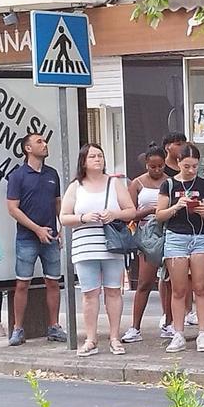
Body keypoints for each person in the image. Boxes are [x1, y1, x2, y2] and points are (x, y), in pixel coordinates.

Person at [59, 144, 136, 357]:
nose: (97, 159)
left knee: (113, 290)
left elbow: (131, 210)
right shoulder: (76, 186)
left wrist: (114, 214)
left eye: (100, 155)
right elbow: (64, 217)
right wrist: (83, 218)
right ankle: (91, 339)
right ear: (83, 161)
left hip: (112, 244)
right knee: (89, 293)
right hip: (85, 245)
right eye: (92, 156)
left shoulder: (115, 183)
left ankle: (114, 337)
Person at [5, 132, 67, 346]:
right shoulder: (17, 176)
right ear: (27, 148)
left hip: (50, 234)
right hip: (26, 237)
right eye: (39, 142)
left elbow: (58, 202)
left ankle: (54, 326)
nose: (45, 144)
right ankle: (18, 329)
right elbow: (13, 208)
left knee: (53, 281)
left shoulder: (52, 174)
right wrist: (36, 229)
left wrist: (61, 229)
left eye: (44, 140)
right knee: (22, 283)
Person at [157, 144, 204, 352]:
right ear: (179, 163)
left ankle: (202, 333)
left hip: (199, 237)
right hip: (176, 237)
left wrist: (201, 210)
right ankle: (178, 332)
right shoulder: (169, 185)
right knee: (178, 288)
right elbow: (159, 215)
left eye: (195, 166)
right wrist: (177, 206)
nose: (191, 170)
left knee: (201, 287)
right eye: (187, 166)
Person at [120, 146, 172, 344]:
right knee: (144, 282)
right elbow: (130, 212)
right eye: (152, 167)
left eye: (160, 166)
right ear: (146, 165)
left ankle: (169, 321)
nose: (157, 170)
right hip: (147, 233)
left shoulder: (170, 182)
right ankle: (135, 326)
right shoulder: (137, 183)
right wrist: (150, 211)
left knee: (169, 281)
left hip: (167, 232)